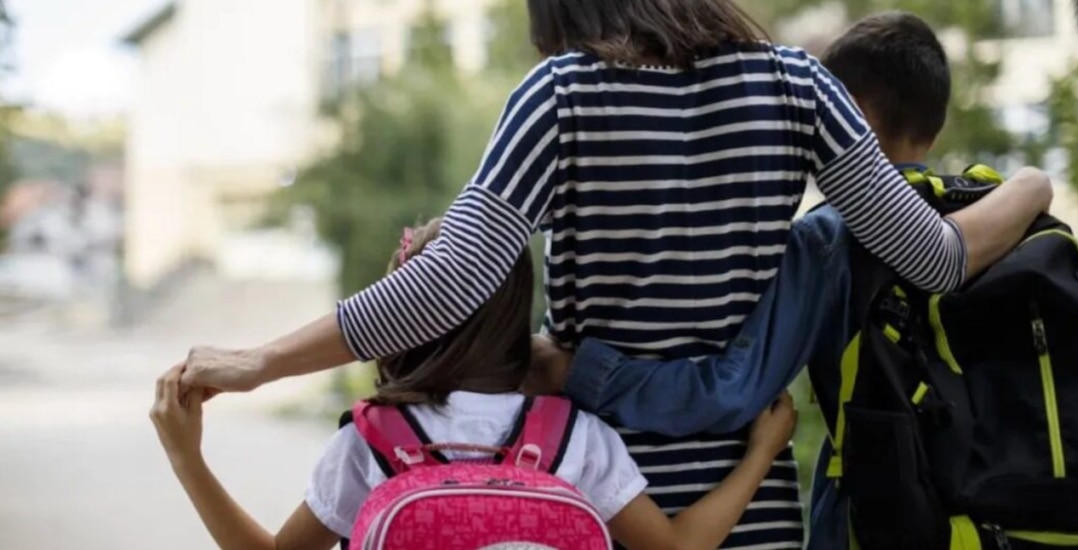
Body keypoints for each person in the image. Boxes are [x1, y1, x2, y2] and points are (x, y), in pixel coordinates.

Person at [177, 2, 1052, 547]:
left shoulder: (561, 93)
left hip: (594, 497)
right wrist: (1031, 186)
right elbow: (935, 258)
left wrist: (262, 360)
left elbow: (450, 281)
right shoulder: (798, 86)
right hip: (752, 502)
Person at [522, 12, 1002, 550]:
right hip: (950, 517)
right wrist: (1032, 187)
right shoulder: (986, 217)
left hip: (627, 506)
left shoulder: (829, 243)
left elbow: (730, 388)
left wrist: (572, 371)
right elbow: (941, 258)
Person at [150, 220, 798, 550]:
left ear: (399, 319)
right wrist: (760, 455)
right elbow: (679, 548)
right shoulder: (574, 438)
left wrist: (186, 458)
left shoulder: (372, 442)